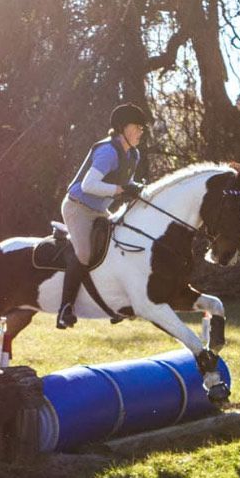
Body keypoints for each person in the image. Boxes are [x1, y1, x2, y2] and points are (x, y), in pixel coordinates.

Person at [56, 102, 148, 329]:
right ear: (123, 128)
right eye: (138, 127)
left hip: (98, 209)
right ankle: (65, 308)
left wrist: (138, 189)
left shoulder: (133, 155)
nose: (141, 132)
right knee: (85, 254)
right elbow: (88, 185)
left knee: (119, 245)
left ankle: (113, 304)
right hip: (77, 206)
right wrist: (120, 190)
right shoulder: (107, 151)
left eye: (142, 128)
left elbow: (124, 184)